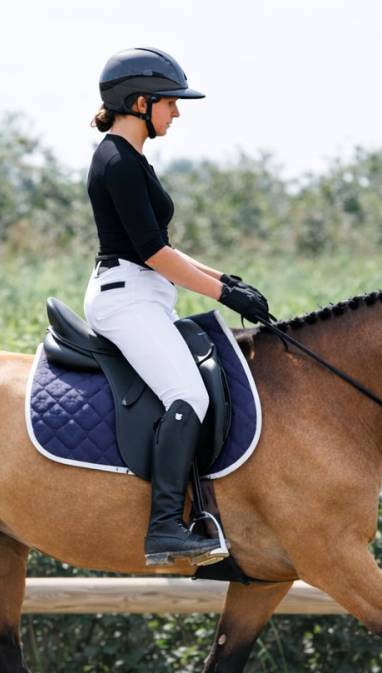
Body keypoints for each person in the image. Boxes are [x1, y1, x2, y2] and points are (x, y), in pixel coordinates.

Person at [84, 47, 273, 568]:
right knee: (187, 393)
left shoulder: (131, 159)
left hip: (144, 293)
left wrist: (225, 279)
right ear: (140, 102)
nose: (177, 111)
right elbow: (152, 253)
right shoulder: (118, 161)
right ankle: (165, 525)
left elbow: (161, 247)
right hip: (127, 300)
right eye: (170, 102)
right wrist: (222, 295)